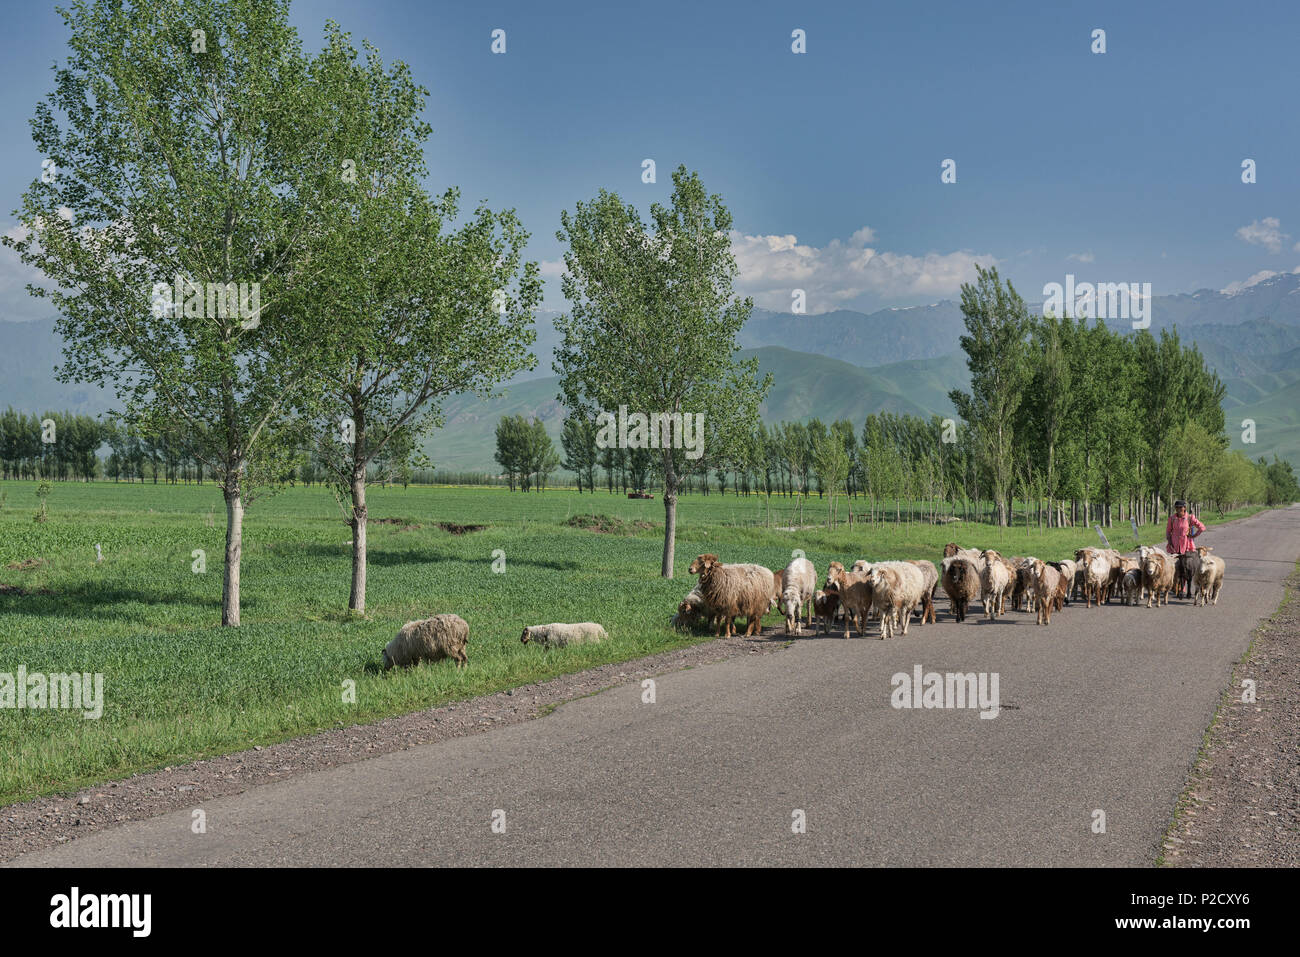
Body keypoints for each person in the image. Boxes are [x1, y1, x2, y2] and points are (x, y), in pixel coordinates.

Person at [1166, 500, 1205, 598]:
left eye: (1180, 507)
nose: (1178, 510)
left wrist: (1193, 535)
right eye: (1177, 508)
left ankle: (1185, 588)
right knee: (1176, 567)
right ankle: (1177, 587)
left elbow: (1202, 527)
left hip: (1187, 545)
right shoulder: (1172, 518)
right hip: (1175, 546)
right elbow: (1168, 531)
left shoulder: (1189, 518)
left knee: (1186, 567)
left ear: (1184, 508)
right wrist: (1170, 542)